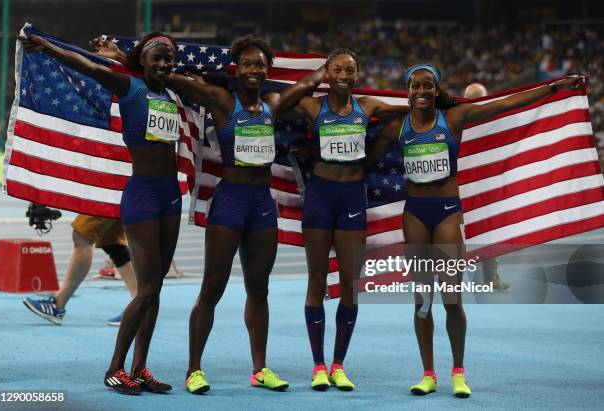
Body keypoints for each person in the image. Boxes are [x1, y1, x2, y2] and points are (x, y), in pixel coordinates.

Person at [367, 64, 584, 398]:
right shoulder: (396, 127)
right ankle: (428, 374)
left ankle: (458, 372)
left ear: (436, 89)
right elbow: (362, 163)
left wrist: (555, 87)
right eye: (415, 86)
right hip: (415, 215)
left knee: (451, 298)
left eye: (428, 86)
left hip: (446, 214)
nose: (422, 91)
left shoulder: (453, 118)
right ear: (407, 91)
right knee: (422, 301)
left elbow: (507, 104)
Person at [20, 31, 184, 395]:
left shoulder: (173, 95)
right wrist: (47, 47)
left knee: (155, 292)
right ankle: (115, 368)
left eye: (169, 58)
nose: (163, 63)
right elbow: (87, 64)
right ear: (142, 60)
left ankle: (140, 369)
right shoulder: (130, 88)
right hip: (142, 196)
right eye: (156, 56)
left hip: (171, 197)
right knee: (147, 290)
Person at [164, 35, 326, 394]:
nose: (255, 69)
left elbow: (304, 87)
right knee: (212, 288)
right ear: (237, 69)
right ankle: (194, 370)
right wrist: (131, 57)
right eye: (249, 64)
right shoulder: (223, 101)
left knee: (259, 289)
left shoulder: (271, 104)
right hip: (230, 204)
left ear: (268, 70)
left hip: (262, 206)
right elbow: (169, 76)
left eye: (261, 64)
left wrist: (328, 69)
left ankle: (260, 369)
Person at [286, 49, 408, 391]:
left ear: (357, 74)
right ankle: (319, 365)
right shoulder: (314, 106)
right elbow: (281, 104)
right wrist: (314, 77)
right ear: (328, 72)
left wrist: (444, 100)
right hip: (320, 198)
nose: (343, 74)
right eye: (336, 69)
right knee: (316, 283)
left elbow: (416, 109)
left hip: (352, 198)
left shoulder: (367, 106)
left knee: (351, 287)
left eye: (349, 70)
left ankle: (339, 364)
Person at [23, 215, 137, 326]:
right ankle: (139, 305)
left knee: (82, 235)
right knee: (111, 241)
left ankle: (57, 305)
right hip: (121, 196)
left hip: (112, 195)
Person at [462, 82, 509, 291]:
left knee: (489, 232)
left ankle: (491, 277)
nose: (475, 104)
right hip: (463, 185)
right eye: (471, 99)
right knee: (459, 233)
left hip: (486, 185)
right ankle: (457, 280)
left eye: (478, 99)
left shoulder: (495, 120)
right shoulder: (458, 118)